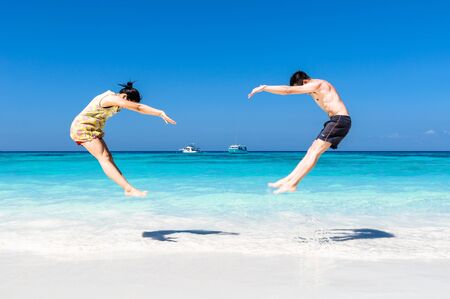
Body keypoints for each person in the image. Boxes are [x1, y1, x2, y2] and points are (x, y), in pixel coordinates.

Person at [248, 71, 351, 194]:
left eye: (301, 87)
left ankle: (293, 184)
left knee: (314, 152)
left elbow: (287, 91)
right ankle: (288, 180)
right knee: (311, 152)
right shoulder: (314, 87)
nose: (303, 91)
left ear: (305, 81)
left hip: (339, 120)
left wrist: (264, 88)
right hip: (336, 120)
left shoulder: (318, 84)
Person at [70, 82, 176, 197]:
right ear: (125, 97)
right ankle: (128, 189)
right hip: (82, 128)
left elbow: (137, 107)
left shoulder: (116, 99)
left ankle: (127, 187)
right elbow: (139, 108)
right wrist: (160, 113)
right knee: (104, 158)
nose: (126, 106)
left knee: (107, 157)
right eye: (128, 103)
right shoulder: (111, 99)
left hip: (92, 128)